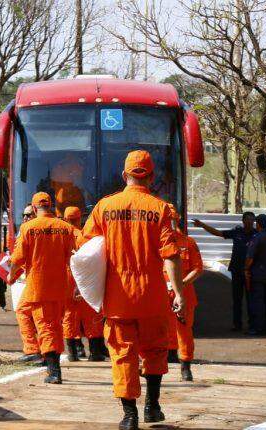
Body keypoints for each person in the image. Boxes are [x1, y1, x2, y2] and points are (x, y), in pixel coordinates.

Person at [82, 150, 184, 430]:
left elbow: (87, 250)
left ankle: (129, 416)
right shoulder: (161, 208)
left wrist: (87, 287)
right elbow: (171, 254)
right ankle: (152, 406)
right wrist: (179, 293)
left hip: (118, 299)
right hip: (152, 296)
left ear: (124, 175)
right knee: (155, 350)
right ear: (151, 177)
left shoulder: (105, 207)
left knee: (123, 354)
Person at [8, 192, 75, 384]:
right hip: (60, 288)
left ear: (35, 208)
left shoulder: (28, 228)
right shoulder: (65, 228)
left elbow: (17, 259)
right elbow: (73, 259)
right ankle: (50, 363)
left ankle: (54, 371)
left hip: (38, 288)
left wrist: (10, 276)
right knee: (55, 327)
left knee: (46, 328)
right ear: (51, 206)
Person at [193, 211, 257, 331]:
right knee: (237, 299)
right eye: (248, 220)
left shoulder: (256, 234)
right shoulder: (237, 232)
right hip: (237, 270)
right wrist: (202, 225)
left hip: (250, 272)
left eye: (252, 220)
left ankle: (252, 324)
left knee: (251, 299)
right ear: (243, 221)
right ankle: (237, 324)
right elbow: (218, 233)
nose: (250, 222)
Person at [62, 206, 107, 362]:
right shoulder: (84, 237)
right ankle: (95, 352)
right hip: (82, 278)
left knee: (69, 316)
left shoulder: (62, 234)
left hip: (66, 279)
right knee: (91, 314)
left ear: (65, 218)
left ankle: (72, 353)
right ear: (80, 218)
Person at [166, 205, 204, 382]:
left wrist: (180, 284)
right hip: (161, 292)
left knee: (184, 330)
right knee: (158, 329)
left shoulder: (188, 243)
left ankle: (185, 365)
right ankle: (162, 361)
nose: (169, 223)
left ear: (177, 220)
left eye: (172, 219)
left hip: (184, 292)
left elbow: (197, 268)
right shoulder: (154, 243)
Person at [15, 205, 44, 364]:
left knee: (24, 311)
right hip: (38, 279)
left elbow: (19, 257)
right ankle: (45, 351)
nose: (25, 218)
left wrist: (12, 272)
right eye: (24, 215)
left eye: (29, 215)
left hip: (37, 281)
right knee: (43, 317)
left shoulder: (30, 231)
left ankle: (34, 350)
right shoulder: (28, 230)